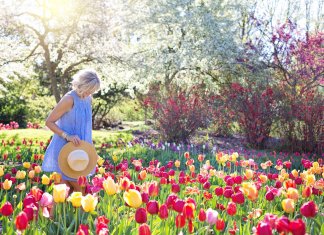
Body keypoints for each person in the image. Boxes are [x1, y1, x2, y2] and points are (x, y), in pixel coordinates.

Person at [42, 69, 101, 193]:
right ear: (81, 85)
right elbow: (49, 122)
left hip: (80, 151)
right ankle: (49, 212)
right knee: (65, 192)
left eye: (92, 91)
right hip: (65, 150)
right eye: (88, 90)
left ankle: (61, 213)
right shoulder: (69, 99)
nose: (89, 94)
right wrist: (67, 135)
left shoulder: (88, 99)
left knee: (77, 193)